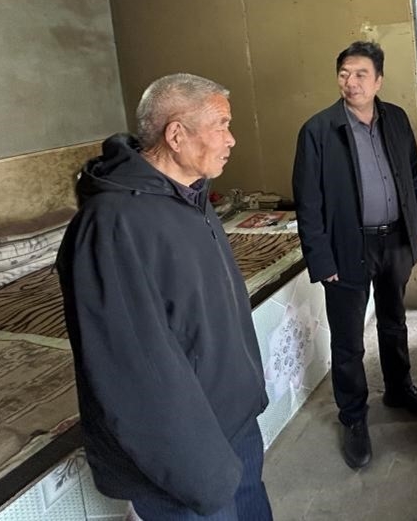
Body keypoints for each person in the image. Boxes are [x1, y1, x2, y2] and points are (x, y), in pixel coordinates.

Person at [56, 74, 273, 521]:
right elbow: (134, 370)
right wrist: (202, 473)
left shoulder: (190, 197)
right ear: (176, 135)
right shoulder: (112, 224)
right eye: (221, 125)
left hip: (233, 426)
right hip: (187, 458)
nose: (231, 139)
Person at [292, 41, 417, 471]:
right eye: (344, 74)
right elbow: (308, 202)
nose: (351, 82)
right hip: (347, 249)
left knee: (394, 321)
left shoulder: (396, 119)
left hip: (395, 241)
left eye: (360, 74)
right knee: (348, 340)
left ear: (378, 80)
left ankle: (399, 388)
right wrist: (322, 260)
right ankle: (354, 416)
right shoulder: (319, 130)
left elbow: (413, 177)